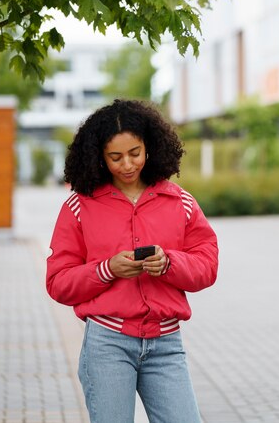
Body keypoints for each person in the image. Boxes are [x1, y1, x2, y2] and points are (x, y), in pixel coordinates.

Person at [46, 99, 219, 423]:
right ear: (99, 156)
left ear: (150, 148)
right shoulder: (79, 207)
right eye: (115, 157)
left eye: (134, 153)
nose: (127, 164)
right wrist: (107, 270)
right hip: (107, 345)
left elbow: (207, 267)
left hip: (167, 343)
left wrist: (169, 263)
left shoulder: (180, 201)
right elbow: (58, 283)